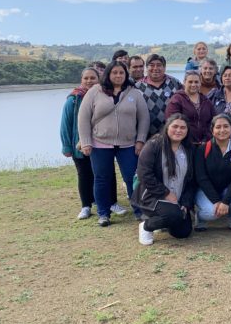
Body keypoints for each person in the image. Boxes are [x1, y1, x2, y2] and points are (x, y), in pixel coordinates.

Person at [78, 60, 150, 227]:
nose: (118, 76)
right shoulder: (95, 91)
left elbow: (144, 118)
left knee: (132, 177)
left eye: (121, 73)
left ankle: (139, 210)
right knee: (102, 178)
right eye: (114, 72)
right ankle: (103, 213)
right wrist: (86, 142)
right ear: (108, 74)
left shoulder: (134, 93)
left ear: (126, 74)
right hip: (100, 143)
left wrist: (140, 140)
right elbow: (83, 117)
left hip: (128, 144)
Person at [61, 67, 121, 220]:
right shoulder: (74, 99)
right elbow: (65, 124)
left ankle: (112, 202)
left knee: (107, 173)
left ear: (99, 79)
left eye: (92, 78)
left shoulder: (104, 95)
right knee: (84, 174)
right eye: (86, 78)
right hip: (80, 144)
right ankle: (86, 206)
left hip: (101, 143)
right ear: (81, 80)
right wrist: (66, 146)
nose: (89, 81)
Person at [132, 114, 195, 245]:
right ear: (167, 127)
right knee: (173, 215)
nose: (178, 130)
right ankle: (146, 226)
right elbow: (145, 174)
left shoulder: (189, 149)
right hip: (152, 196)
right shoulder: (153, 145)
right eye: (175, 126)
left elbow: (191, 180)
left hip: (177, 198)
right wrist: (166, 193)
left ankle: (165, 220)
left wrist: (185, 202)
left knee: (183, 232)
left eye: (183, 127)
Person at [193, 114, 231, 233]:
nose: (222, 130)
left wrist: (226, 201)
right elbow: (201, 178)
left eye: (226, 126)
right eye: (218, 127)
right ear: (212, 130)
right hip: (205, 190)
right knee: (212, 213)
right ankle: (200, 217)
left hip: (226, 189)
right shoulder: (203, 149)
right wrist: (216, 201)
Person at [135, 54, 182, 137]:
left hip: (172, 134)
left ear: (164, 67)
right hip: (146, 134)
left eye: (159, 65)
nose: (155, 68)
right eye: (152, 65)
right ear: (146, 68)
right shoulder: (138, 86)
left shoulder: (175, 83)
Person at [165, 70, 216, 146]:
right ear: (184, 82)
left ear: (200, 83)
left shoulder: (206, 101)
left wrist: (206, 138)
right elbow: (172, 123)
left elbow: (213, 121)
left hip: (205, 144)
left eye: (196, 82)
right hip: (184, 143)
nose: (193, 84)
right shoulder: (177, 100)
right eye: (190, 82)